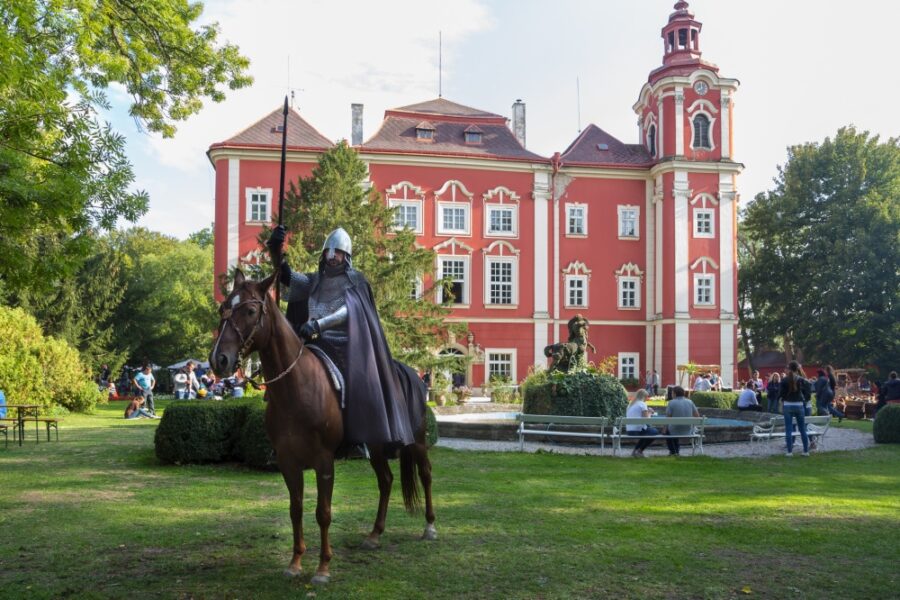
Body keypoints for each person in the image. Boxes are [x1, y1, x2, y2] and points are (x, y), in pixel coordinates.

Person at [267, 225, 418, 453]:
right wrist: (276, 251)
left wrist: (319, 324)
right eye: (329, 251)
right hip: (313, 343)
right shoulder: (315, 280)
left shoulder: (355, 281)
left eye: (337, 252)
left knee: (359, 382)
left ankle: (360, 436)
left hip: (345, 345)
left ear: (346, 255)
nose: (332, 256)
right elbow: (288, 277)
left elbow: (350, 309)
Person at [780, 361, 811, 457]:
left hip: (787, 405)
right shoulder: (802, 380)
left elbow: (780, 394)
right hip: (799, 405)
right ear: (797, 369)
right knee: (802, 429)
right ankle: (805, 451)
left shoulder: (784, 380)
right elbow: (808, 392)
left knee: (789, 429)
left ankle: (789, 452)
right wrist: (804, 400)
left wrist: (783, 399)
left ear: (789, 368)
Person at [663, 386, 700, 456]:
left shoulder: (671, 403)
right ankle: (675, 451)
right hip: (688, 430)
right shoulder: (690, 402)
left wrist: (664, 430)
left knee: (669, 430)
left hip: (674, 430)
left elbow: (668, 418)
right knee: (673, 427)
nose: (671, 395)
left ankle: (673, 451)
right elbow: (697, 416)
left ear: (674, 394)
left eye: (672, 393)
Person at [626, 389, 659, 458]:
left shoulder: (630, 404)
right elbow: (647, 420)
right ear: (643, 397)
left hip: (629, 430)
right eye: (646, 397)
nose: (647, 399)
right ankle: (639, 450)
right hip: (637, 431)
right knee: (654, 431)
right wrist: (650, 412)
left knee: (647, 432)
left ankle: (635, 451)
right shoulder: (642, 404)